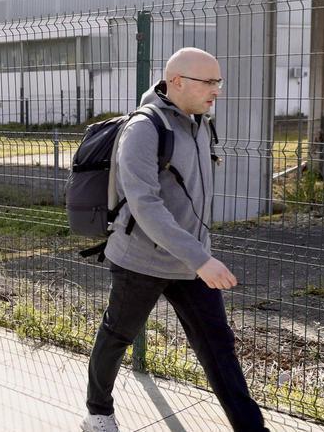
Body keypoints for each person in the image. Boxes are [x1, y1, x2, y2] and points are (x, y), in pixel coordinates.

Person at [82, 48, 268, 432]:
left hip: (190, 261)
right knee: (118, 335)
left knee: (218, 347)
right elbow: (146, 205)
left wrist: (198, 256)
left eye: (219, 81)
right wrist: (200, 259)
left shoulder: (199, 121)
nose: (217, 90)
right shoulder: (143, 129)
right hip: (140, 261)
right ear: (178, 81)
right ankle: (98, 412)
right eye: (209, 82)